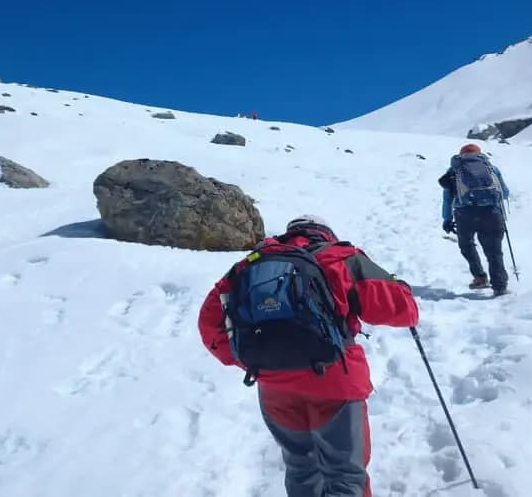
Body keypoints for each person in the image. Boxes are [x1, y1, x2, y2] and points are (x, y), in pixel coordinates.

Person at [197, 215, 419, 497]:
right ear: (325, 233)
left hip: (275, 389)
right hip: (335, 383)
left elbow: (210, 323)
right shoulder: (340, 258)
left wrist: (250, 359)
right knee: (344, 475)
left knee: (301, 468)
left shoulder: (250, 264)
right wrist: (402, 287)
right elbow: (403, 310)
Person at [439, 143, 511, 295]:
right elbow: (504, 193)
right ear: (479, 154)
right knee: (494, 251)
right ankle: (500, 286)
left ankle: (480, 277)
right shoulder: (491, 168)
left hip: (465, 214)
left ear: (461, 155)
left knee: (467, 245)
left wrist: (447, 219)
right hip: (492, 213)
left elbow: (448, 198)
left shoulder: (455, 170)